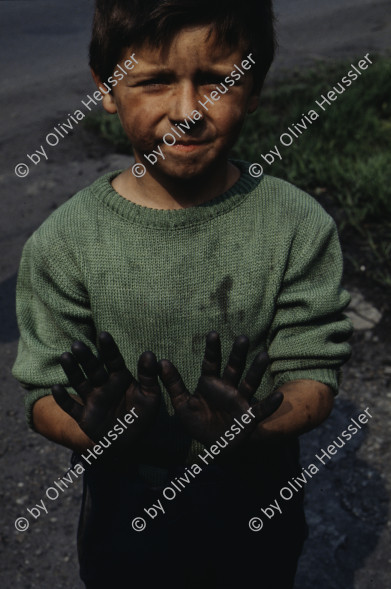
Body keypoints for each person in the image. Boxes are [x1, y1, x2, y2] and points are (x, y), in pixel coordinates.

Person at [12, 1, 353, 587]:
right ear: (108, 88)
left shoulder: (296, 225)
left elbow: (314, 374)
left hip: (257, 500)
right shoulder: (64, 242)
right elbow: (44, 392)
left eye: (217, 80)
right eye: (155, 80)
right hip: (124, 506)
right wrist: (94, 429)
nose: (188, 110)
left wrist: (254, 427)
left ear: (254, 86)